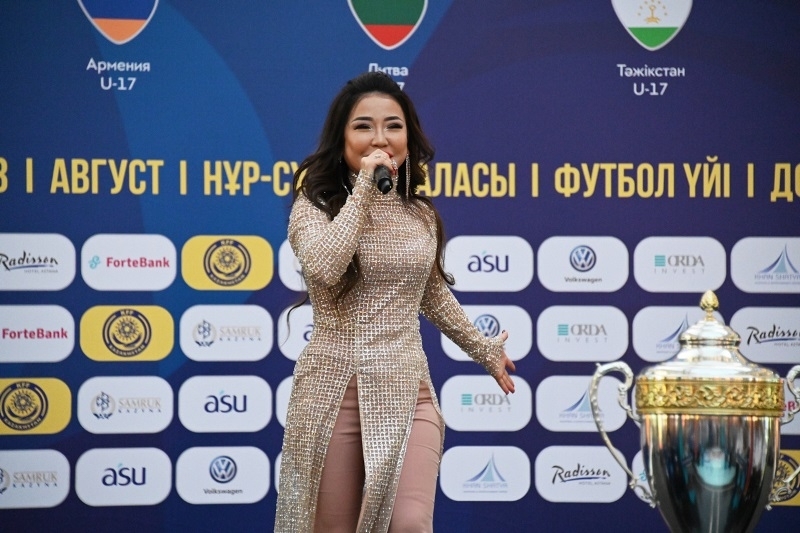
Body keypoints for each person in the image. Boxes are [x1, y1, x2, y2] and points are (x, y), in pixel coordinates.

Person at [274, 71, 516, 533]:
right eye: (363, 126)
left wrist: (482, 348)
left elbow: (430, 293)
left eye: (393, 126)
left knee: (409, 524)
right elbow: (324, 267)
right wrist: (364, 190)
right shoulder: (314, 205)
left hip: (407, 387)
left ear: (409, 136)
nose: (380, 138)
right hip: (334, 389)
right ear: (341, 137)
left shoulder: (418, 212)